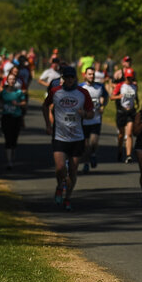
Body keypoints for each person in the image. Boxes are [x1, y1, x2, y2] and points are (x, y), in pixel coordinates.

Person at [42, 65, 94, 211]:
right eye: (67, 77)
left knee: (72, 170)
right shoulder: (55, 92)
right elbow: (45, 106)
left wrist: (84, 113)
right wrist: (48, 124)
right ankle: (59, 185)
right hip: (59, 136)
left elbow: (92, 113)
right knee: (59, 168)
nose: (70, 80)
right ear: (63, 78)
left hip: (77, 137)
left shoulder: (83, 93)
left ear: (75, 78)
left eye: (72, 77)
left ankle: (68, 197)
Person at [79, 66, 109, 172]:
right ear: (85, 75)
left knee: (94, 142)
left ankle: (93, 154)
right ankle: (86, 163)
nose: (92, 76)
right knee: (86, 144)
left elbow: (106, 97)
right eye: (89, 74)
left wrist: (102, 106)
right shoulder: (80, 87)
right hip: (84, 120)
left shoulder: (100, 86)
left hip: (96, 119)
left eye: (93, 74)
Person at [0, 71, 27, 169]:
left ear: (15, 81)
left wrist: (17, 104)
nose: (12, 81)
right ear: (7, 81)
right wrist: (1, 105)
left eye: (13, 79)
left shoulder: (19, 92)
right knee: (7, 138)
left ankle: (12, 154)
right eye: (10, 79)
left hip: (16, 117)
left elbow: (24, 103)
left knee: (14, 139)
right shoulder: (3, 92)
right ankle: (9, 162)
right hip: (6, 117)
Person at [115, 71, 138, 163]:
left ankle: (128, 155)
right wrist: (119, 96)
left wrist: (137, 103)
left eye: (130, 77)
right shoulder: (120, 85)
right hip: (121, 112)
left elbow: (135, 97)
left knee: (129, 133)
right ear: (125, 77)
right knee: (121, 135)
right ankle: (120, 149)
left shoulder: (135, 86)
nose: (128, 79)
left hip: (131, 112)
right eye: (127, 77)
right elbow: (112, 97)